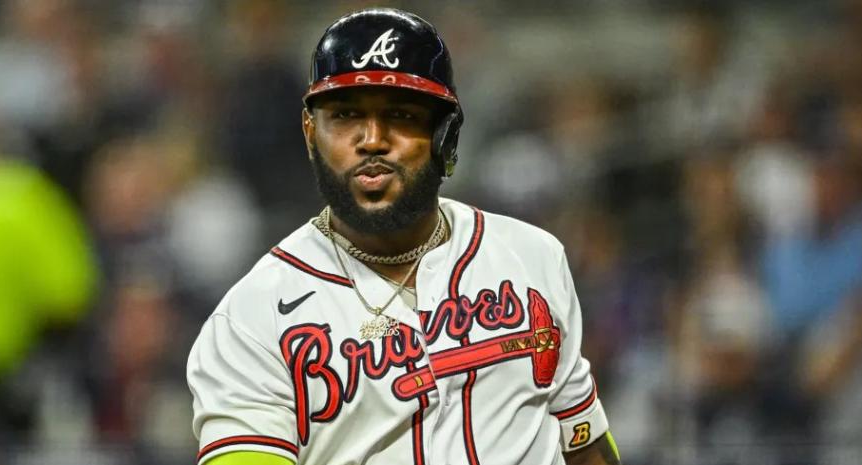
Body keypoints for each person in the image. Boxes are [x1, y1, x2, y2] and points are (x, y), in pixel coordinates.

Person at [187, 8, 620, 465]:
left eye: (401, 114)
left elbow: (583, 442)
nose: (372, 139)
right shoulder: (252, 318)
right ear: (311, 133)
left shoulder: (533, 257)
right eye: (346, 116)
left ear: (445, 135)